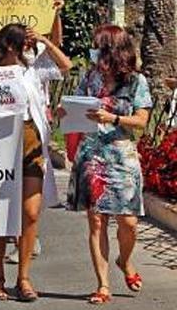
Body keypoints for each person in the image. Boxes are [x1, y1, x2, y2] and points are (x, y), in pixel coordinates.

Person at [0, 23, 71, 302]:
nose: (30, 48)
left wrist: (45, 38)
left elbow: (66, 65)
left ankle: (24, 278)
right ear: (10, 46)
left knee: (30, 214)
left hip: (31, 146)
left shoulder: (33, 70)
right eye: (25, 43)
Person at [66, 25, 151, 305]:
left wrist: (112, 118)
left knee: (128, 223)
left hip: (122, 154)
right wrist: (65, 110)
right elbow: (76, 104)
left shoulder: (136, 82)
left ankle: (124, 261)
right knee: (96, 221)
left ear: (112, 50)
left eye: (98, 46)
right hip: (92, 154)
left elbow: (141, 120)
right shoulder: (90, 77)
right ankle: (102, 285)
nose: (93, 51)